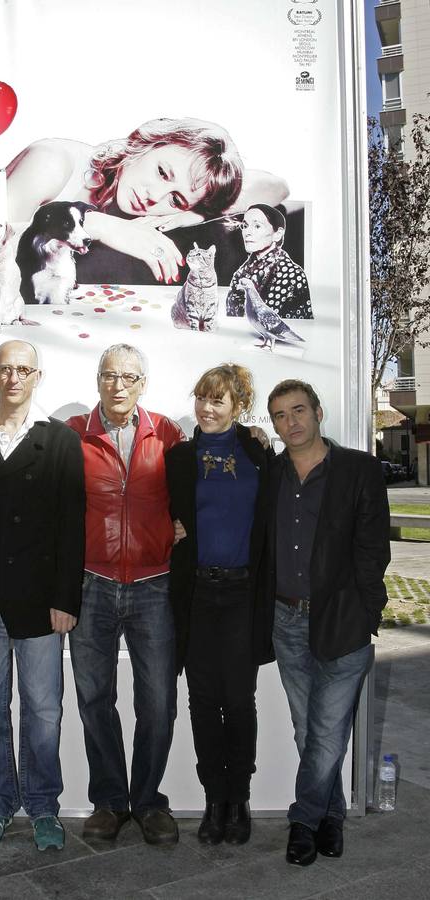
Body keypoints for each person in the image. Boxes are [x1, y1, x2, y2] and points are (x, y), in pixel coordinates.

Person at [0, 340, 85, 852]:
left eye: (23, 370)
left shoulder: (58, 441)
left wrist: (66, 599)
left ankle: (43, 806)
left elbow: (71, 526)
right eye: (5, 369)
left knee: (44, 709)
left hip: (38, 600)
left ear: (38, 376)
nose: (14, 378)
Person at [266, 379, 390, 866]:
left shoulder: (358, 469)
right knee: (308, 729)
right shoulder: (270, 473)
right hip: (285, 618)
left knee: (326, 729)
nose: (290, 422)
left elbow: (373, 548)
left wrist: (367, 612)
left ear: (318, 412)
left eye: (298, 410)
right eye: (279, 415)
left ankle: (303, 820)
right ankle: (332, 815)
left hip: (342, 619)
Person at [65, 344, 184, 845]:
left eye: (129, 377)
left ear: (143, 383)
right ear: (97, 380)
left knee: (158, 702)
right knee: (95, 698)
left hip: (155, 584)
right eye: (110, 376)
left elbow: (198, 478)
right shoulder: (73, 434)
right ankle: (110, 801)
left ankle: (150, 801)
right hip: (91, 582)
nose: (118, 385)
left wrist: (254, 435)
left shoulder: (168, 433)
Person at [165, 364, 271, 846]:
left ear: (238, 407)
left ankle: (239, 798)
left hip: (243, 593)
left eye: (218, 401)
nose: (207, 408)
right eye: (202, 399)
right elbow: (158, 513)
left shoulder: (257, 451)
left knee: (240, 701)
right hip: (197, 594)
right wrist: (168, 529)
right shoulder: (179, 457)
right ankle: (213, 801)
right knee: (203, 702)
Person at [6, 118, 289, 284]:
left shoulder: (161, 207)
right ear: (146, 143)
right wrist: (93, 223)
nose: (155, 196)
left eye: (175, 198)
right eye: (162, 172)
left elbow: (276, 187)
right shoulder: (53, 163)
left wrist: (197, 213)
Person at [226, 204, 313, 320]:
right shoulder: (240, 273)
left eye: (257, 226)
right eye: (245, 226)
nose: (247, 232)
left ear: (277, 234)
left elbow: (271, 322)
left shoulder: (291, 273)